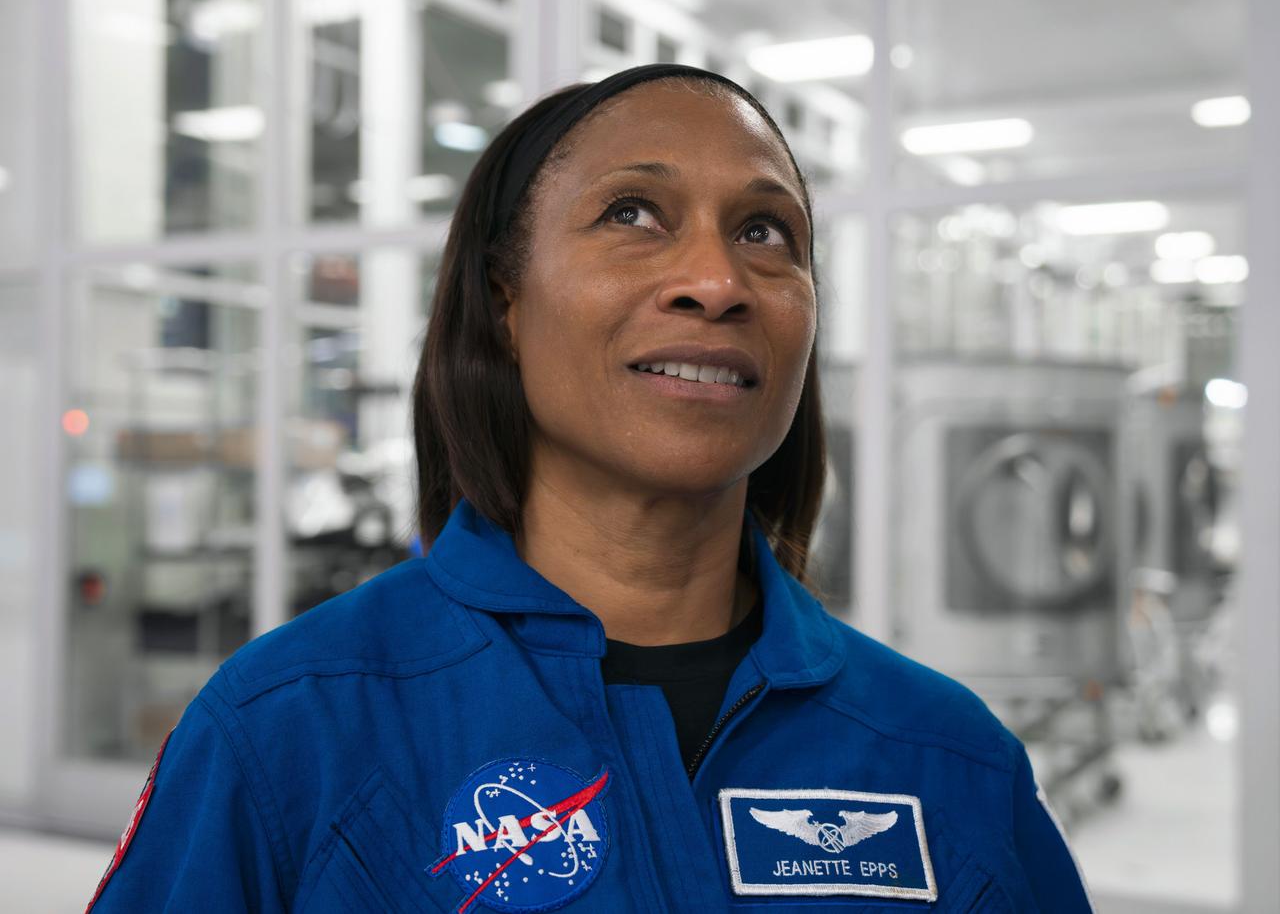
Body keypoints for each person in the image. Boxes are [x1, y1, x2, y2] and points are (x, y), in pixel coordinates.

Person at [87, 64, 1093, 913]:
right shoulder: (292, 732)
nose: (716, 279)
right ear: (502, 304)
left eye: (765, 232)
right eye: (630, 213)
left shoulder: (943, 758)